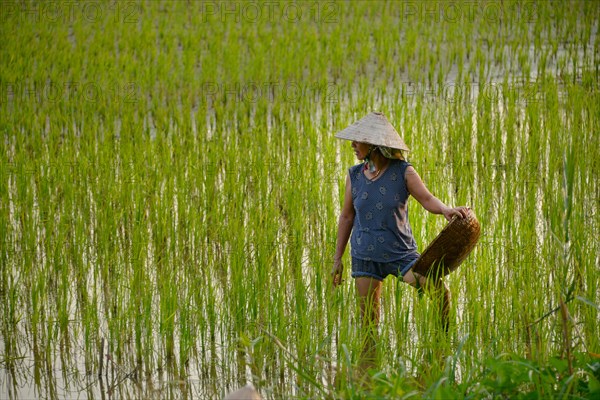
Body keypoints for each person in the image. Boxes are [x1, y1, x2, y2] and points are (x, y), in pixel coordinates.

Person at [332, 112, 470, 337]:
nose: (353, 145)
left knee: (438, 290)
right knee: (368, 326)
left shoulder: (403, 171)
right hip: (364, 254)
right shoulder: (354, 176)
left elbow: (427, 199)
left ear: (374, 144)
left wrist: (445, 209)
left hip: (399, 253)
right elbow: (347, 217)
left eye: (358, 140)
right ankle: (369, 366)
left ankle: (443, 341)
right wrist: (337, 259)